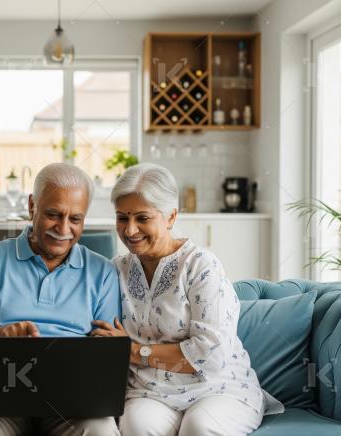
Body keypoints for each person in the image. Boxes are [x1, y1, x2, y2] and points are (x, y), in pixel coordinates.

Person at [91, 163, 282, 436]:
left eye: (142, 218)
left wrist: (133, 351)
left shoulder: (201, 266)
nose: (130, 230)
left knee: (200, 426)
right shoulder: (116, 270)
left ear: (170, 217)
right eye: (122, 218)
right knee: (136, 425)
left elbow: (210, 354)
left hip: (217, 387)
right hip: (149, 391)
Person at [0, 163, 122, 436]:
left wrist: (110, 350)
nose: (63, 229)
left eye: (75, 219)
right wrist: (0, 337)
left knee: (101, 431)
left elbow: (106, 355)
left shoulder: (103, 272)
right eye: (53, 214)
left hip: (72, 400)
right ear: (31, 206)